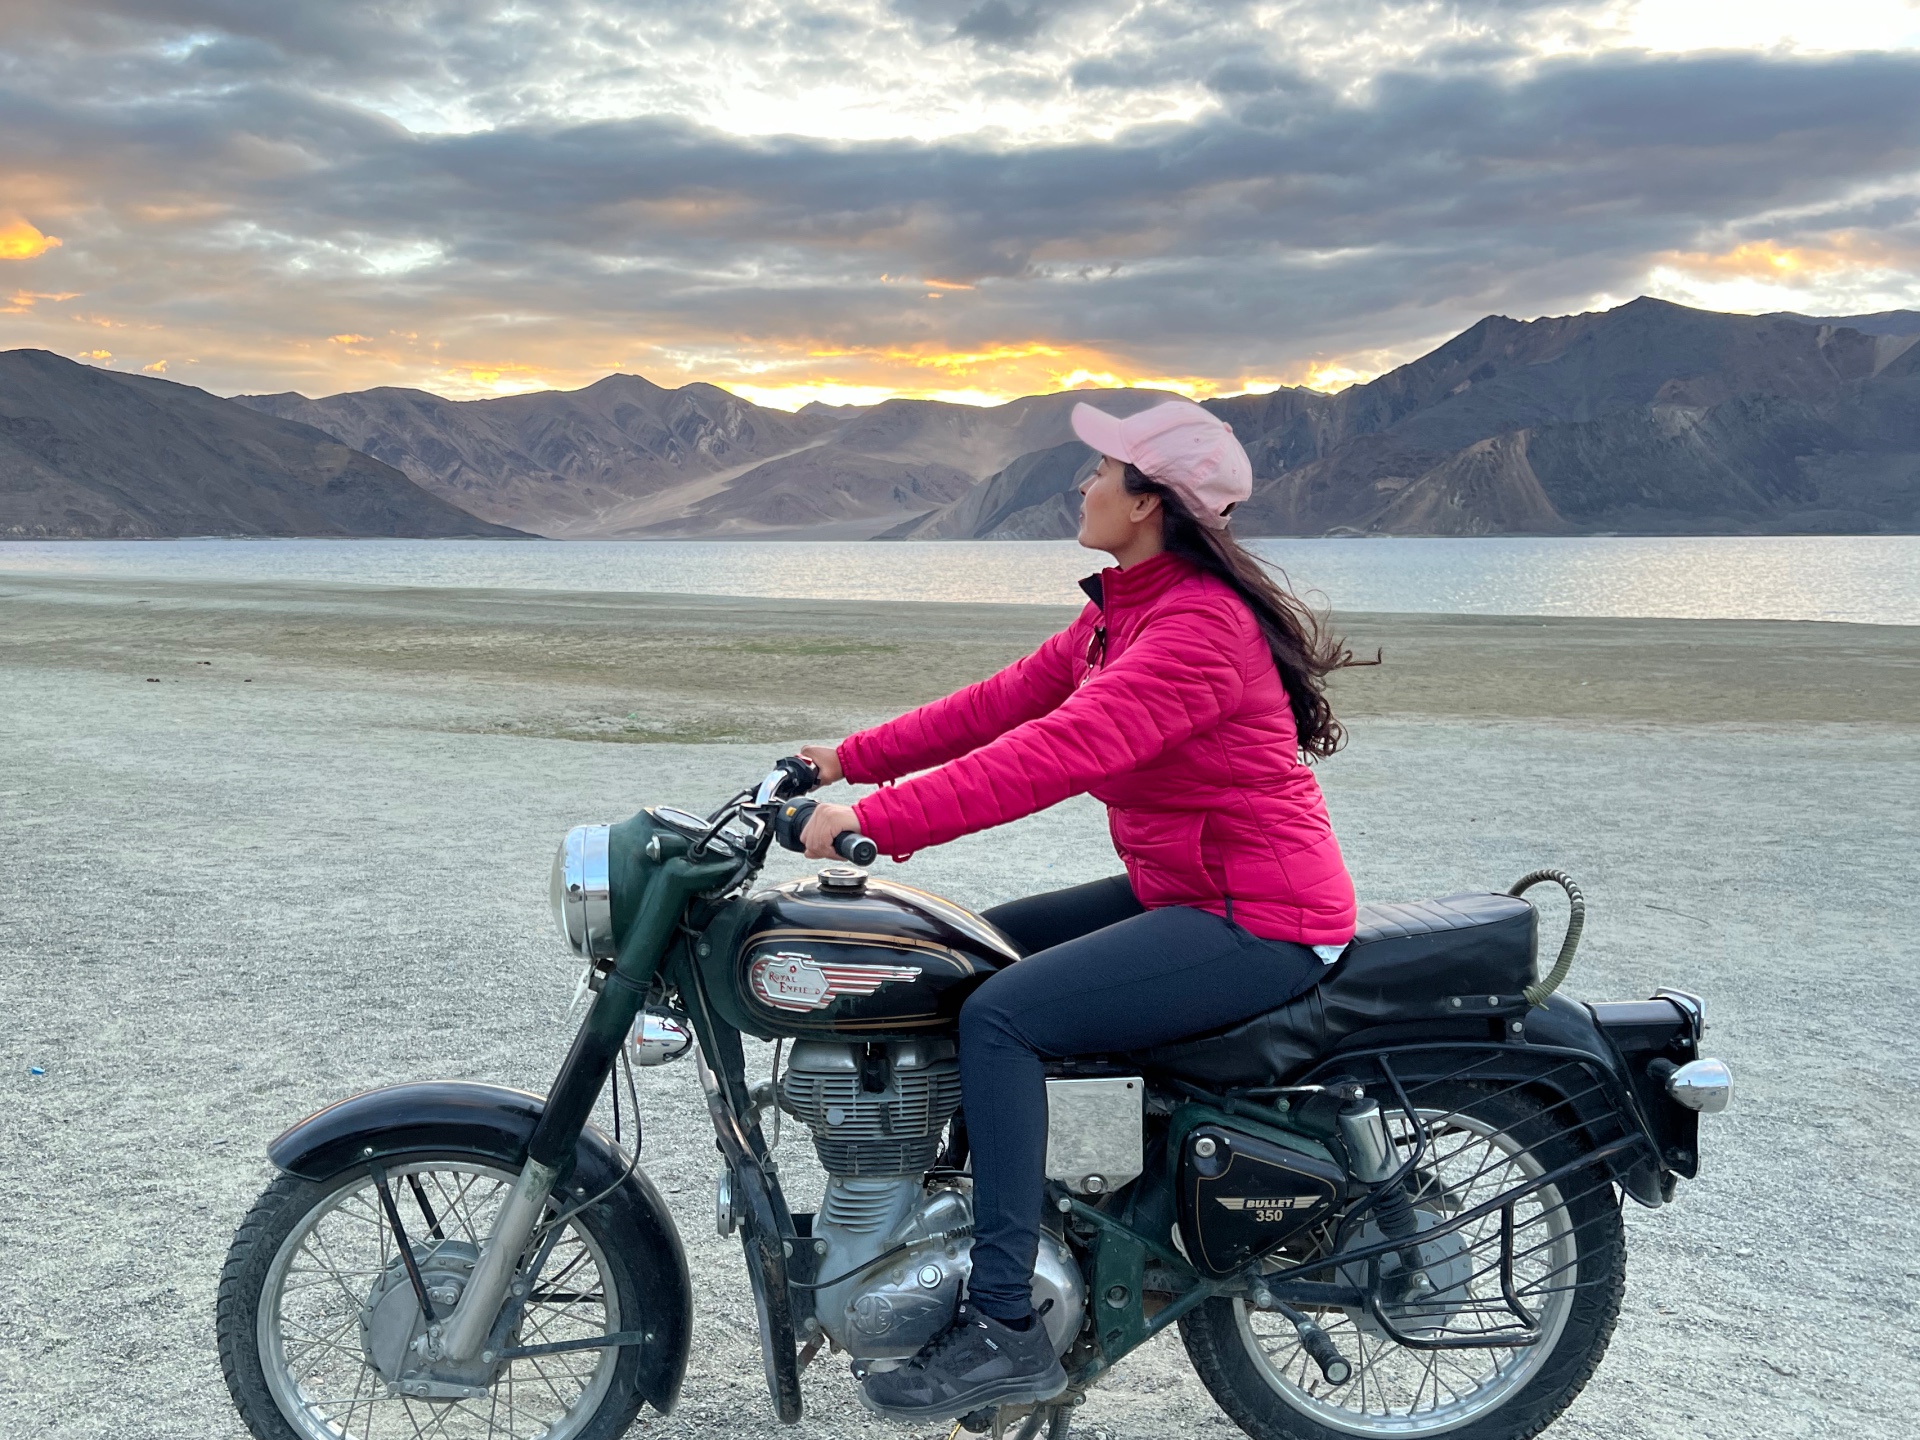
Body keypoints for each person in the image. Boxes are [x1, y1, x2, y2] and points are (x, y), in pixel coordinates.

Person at [796, 398, 1362, 1421]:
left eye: (1102, 469)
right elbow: (1005, 700)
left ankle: (1004, 1326)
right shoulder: (1125, 610)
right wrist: (848, 757)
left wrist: (873, 822)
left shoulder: (1195, 630)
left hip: (1260, 914)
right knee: (965, 954)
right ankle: (961, 1230)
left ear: (1149, 502)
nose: (1084, 484)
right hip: (1187, 889)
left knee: (1001, 1013)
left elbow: (1056, 754)